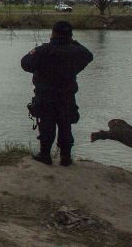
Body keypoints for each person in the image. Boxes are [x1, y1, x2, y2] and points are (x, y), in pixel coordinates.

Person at [21, 21, 93, 166]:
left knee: (46, 126)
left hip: (45, 96)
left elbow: (25, 63)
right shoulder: (76, 51)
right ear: (70, 35)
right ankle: (65, 157)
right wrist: (73, 42)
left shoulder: (44, 50)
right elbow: (89, 56)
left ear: (53, 33)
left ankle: (45, 155)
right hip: (67, 96)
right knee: (66, 126)